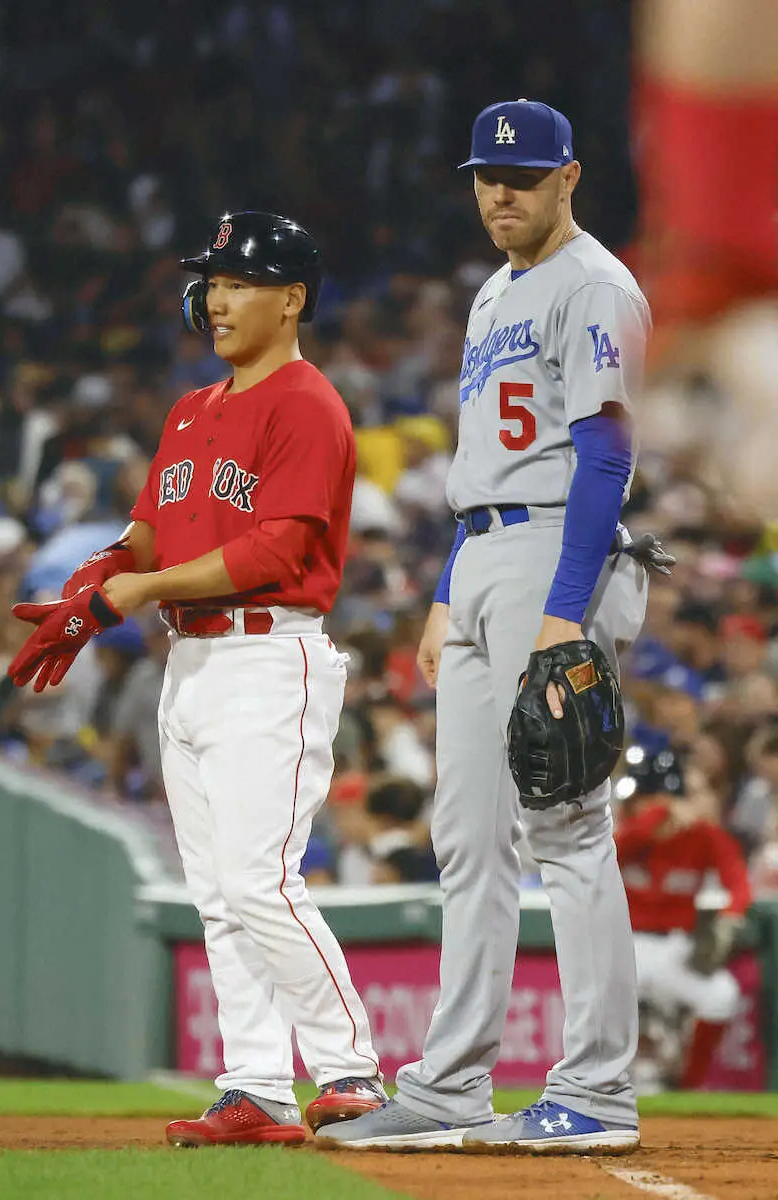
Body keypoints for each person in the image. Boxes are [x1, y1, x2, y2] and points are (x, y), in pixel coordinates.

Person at [7, 211, 386, 1147]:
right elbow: (149, 530)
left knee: (261, 883)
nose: (217, 299)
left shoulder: (307, 403)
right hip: (191, 662)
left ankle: (352, 1071)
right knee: (219, 895)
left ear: (291, 299)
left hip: (269, 654)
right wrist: (99, 580)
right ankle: (257, 1086)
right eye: (212, 281)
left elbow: (278, 548)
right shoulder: (189, 409)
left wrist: (139, 591)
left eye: (238, 282)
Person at [321, 100, 653, 1154]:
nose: (499, 192)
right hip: (481, 554)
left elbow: (606, 457)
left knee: (567, 829)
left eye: (522, 175)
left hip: (557, 551)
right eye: (485, 176)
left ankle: (596, 1088)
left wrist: (562, 611)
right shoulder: (493, 292)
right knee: (465, 838)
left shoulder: (594, 284)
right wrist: (444, 592)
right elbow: (481, 466)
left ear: (569, 176)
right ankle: (450, 1085)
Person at [614, 746, 751, 1090]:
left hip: (674, 948)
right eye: (646, 800)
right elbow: (613, 852)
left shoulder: (703, 836)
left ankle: (688, 1086)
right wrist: (657, 817)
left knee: (721, 995)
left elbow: (739, 885)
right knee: (598, 1008)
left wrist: (729, 919)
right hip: (625, 947)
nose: (646, 806)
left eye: (655, 799)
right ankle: (599, 1082)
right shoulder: (629, 833)